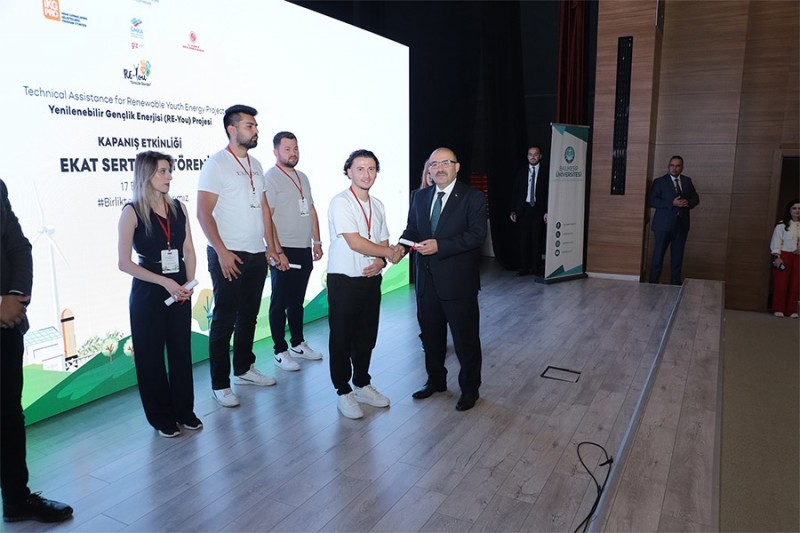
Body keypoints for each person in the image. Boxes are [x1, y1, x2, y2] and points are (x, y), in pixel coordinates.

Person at [197, 104, 281, 408]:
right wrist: (222, 252)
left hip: (257, 253)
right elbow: (203, 213)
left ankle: (244, 369)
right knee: (223, 319)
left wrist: (271, 247)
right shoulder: (216, 164)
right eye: (249, 126)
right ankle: (220, 384)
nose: (256, 130)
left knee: (248, 315)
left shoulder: (256, 164)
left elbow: (265, 209)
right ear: (232, 129)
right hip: (229, 253)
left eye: (255, 125)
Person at [1, 180, 73, 523]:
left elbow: (19, 246)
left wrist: (15, 297)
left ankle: (16, 500)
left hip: (7, 325)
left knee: (8, 416)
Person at [395, 147, 488, 411]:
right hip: (426, 283)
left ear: (456, 167)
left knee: (465, 340)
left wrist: (440, 246)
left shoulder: (472, 197)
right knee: (431, 337)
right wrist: (401, 247)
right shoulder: (420, 196)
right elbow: (412, 229)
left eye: (445, 163)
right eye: (434, 164)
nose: (439, 168)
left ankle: (469, 389)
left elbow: (477, 235)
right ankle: (436, 381)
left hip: (458, 284)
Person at [117, 151, 201, 437]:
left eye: (169, 171)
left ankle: (185, 411)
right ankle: (161, 418)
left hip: (180, 289)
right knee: (150, 357)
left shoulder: (179, 208)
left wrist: (188, 284)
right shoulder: (131, 212)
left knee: (180, 352)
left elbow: (188, 249)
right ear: (146, 175)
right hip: (148, 291)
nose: (169, 177)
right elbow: (124, 263)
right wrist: (164, 282)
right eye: (162, 171)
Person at [327, 149, 397, 419]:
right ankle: (343, 390)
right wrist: (388, 253)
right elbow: (354, 242)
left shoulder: (377, 204)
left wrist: (381, 261)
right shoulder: (341, 202)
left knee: (367, 336)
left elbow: (382, 239)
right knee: (342, 338)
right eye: (360, 169)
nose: (366, 174)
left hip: (371, 279)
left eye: (371, 169)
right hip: (344, 280)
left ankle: (362, 383)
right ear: (349, 172)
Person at [264, 131, 324, 372]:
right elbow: (267, 217)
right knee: (279, 302)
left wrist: (317, 241)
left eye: (295, 148)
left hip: (303, 247)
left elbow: (311, 209)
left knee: (297, 301)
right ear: (276, 151)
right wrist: (277, 251)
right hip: (283, 249)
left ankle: (297, 343)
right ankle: (280, 351)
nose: (293, 153)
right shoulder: (270, 178)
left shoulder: (303, 177)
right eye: (287, 149)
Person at [648, 155, 700, 285]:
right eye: (672, 165)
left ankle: (675, 284)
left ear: (682, 168)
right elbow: (652, 201)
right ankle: (653, 283)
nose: (674, 168)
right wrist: (671, 203)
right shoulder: (659, 182)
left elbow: (695, 198)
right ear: (668, 166)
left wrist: (687, 203)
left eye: (677, 166)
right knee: (658, 256)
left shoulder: (687, 181)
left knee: (677, 257)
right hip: (663, 226)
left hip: (681, 225)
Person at [510, 145, 549, 276]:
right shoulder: (521, 172)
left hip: (539, 209)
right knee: (524, 240)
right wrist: (513, 210)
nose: (533, 157)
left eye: (535, 154)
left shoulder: (546, 172)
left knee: (537, 240)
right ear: (527, 156)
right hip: (523, 209)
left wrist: (547, 211)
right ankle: (524, 267)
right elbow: (515, 193)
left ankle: (536, 267)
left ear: (540, 156)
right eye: (530, 154)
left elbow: (548, 193)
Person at [770, 199, 800, 318]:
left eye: (799, 208)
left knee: (795, 284)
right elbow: (776, 241)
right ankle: (779, 308)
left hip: (798, 257)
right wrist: (776, 256)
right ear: (789, 210)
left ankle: (791, 310)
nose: (797, 210)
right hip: (784, 256)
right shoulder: (782, 225)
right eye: (794, 208)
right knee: (781, 283)